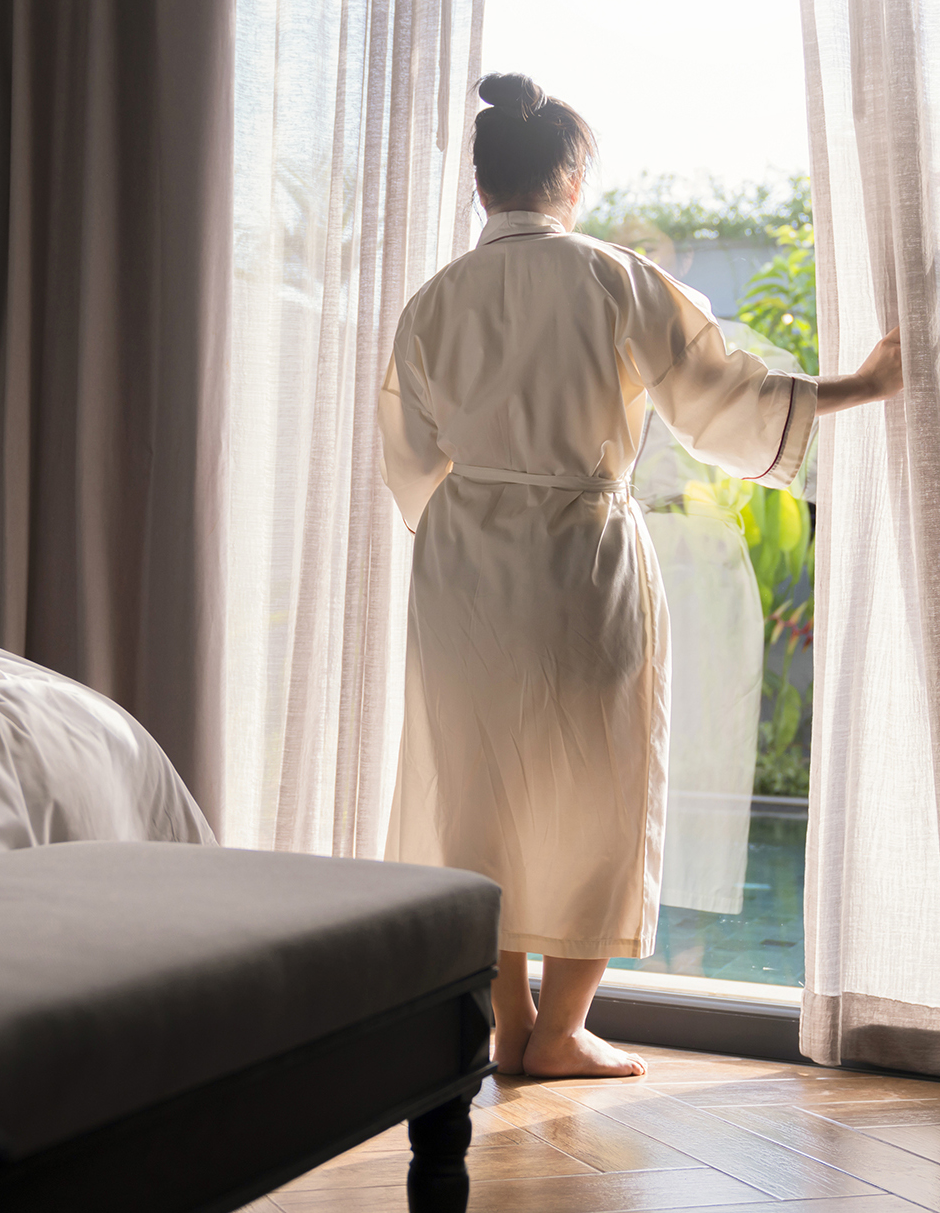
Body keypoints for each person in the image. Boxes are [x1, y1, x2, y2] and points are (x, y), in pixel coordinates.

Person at [378, 73, 902, 1079]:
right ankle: (561, 1028)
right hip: (581, 553)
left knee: (472, 787)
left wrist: (478, 500)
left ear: (482, 184)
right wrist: (863, 384)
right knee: (596, 776)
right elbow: (723, 398)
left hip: (462, 566)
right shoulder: (613, 278)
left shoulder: (434, 298)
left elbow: (409, 454)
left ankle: (506, 1016)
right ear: (569, 176)